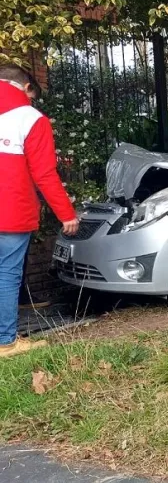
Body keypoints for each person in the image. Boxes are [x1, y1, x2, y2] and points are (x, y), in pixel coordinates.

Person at [0, 64, 78, 358]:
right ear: (26, 87)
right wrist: (66, 214)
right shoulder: (31, 118)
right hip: (10, 210)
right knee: (6, 275)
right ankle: (6, 341)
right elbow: (44, 174)